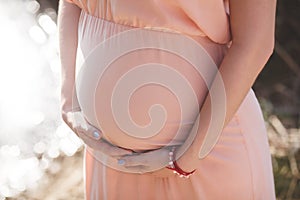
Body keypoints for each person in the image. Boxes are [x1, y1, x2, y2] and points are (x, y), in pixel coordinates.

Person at [58, 0, 277, 199]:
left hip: (206, 152)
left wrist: (185, 160)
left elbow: (255, 43)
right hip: (109, 158)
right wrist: (68, 99)